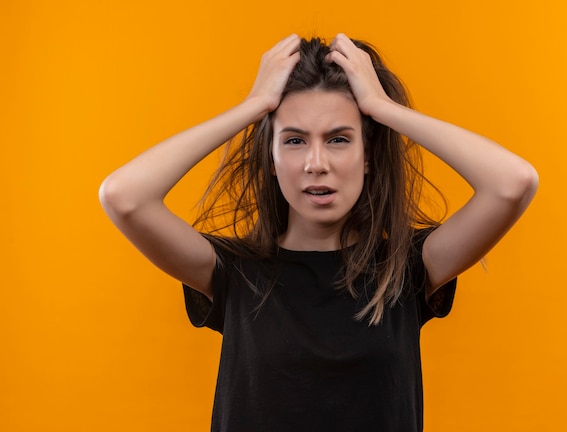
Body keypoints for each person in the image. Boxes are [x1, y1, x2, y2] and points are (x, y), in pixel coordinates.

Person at [99, 34, 538, 431]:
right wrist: (254, 106)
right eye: (293, 141)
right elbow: (124, 196)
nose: (316, 163)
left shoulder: (406, 269)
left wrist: (382, 109)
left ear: (368, 155)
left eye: (339, 139)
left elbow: (512, 183)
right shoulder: (235, 272)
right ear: (271, 159)